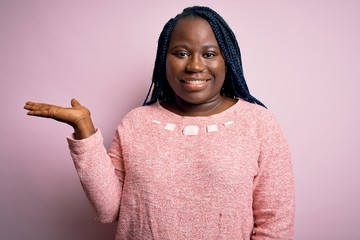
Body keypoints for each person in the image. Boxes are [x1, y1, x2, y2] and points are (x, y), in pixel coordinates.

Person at [24, 6, 295, 240]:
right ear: (163, 61)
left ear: (228, 61)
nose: (195, 66)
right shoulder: (136, 123)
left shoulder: (259, 124)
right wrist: (84, 131)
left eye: (210, 54)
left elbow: (276, 226)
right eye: (181, 53)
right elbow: (109, 211)